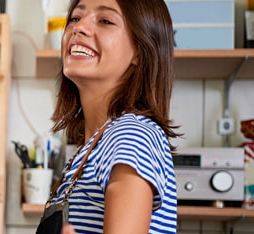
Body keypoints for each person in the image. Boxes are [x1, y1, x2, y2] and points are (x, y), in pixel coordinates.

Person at [39, 0, 180, 233]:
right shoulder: (92, 147)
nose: (79, 27)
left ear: (140, 50)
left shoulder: (132, 134)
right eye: (75, 18)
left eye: (105, 21)